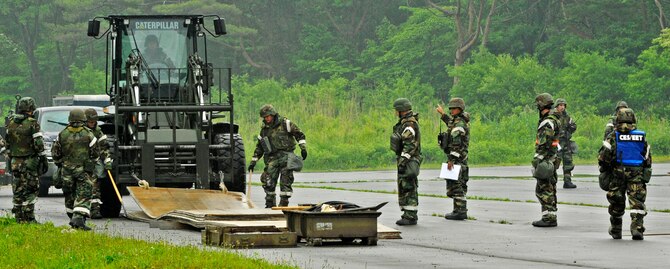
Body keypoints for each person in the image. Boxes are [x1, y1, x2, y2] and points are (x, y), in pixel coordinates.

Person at [598, 108, 651, 240]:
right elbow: (647, 157)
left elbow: (603, 158)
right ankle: (637, 229)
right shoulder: (641, 136)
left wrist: (606, 170)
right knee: (637, 202)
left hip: (618, 174)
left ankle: (616, 229)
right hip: (636, 174)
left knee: (616, 201)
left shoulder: (612, 136)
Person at [247, 105, 307, 208]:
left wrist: (303, 148)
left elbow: (299, 134)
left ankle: (283, 204)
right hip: (272, 158)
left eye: (268, 116)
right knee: (268, 181)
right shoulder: (264, 130)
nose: (267, 119)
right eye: (265, 117)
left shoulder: (285, 124)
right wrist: (253, 161)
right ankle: (270, 204)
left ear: (273, 114)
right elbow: (260, 147)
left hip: (286, 157)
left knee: (286, 181)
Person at [51, 109, 100, 230]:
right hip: (82, 170)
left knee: (69, 194)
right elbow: (95, 153)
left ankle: (72, 217)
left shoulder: (62, 134)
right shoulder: (88, 134)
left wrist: (61, 163)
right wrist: (90, 163)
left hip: (66, 171)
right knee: (83, 194)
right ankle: (78, 219)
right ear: (83, 119)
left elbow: (55, 153)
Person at [5, 97, 46, 223]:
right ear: (31, 108)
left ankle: (18, 216)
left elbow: (7, 143)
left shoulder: (10, 123)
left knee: (18, 188)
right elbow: (38, 144)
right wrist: (43, 157)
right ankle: (29, 217)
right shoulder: (32, 123)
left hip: (15, 162)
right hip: (29, 161)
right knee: (31, 188)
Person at [436, 98, 470, 220]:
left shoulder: (459, 125)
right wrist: (443, 114)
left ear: (460, 109)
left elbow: (456, 144)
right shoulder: (458, 121)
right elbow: (450, 122)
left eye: (454, 108)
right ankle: (458, 209)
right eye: (450, 109)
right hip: (459, 158)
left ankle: (460, 211)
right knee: (456, 183)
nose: (451, 111)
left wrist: (451, 159)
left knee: (457, 184)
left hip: (457, 159)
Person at [531, 93, 561, 227]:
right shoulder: (555, 119)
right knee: (551, 187)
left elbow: (544, 143)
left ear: (541, 105)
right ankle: (551, 215)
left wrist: (538, 160)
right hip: (552, 158)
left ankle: (548, 218)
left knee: (544, 189)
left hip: (546, 159)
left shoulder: (547, 122)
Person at [391, 98, 422, 226]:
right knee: (405, 185)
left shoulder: (409, 124)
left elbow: (409, 145)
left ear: (401, 110)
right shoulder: (406, 123)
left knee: (408, 186)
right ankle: (408, 213)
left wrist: (403, 161)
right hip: (407, 159)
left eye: (396, 110)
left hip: (408, 160)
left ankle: (410, 216)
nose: (395, 112)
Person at [84, 108, 112, 219]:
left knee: (95, 187)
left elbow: (104, 148)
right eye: (90, 121)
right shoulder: (80, 132)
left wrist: (107, 161)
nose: (92, 123)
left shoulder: (98, 132)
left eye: (94, 121)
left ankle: (95, 210)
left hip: (93, 163)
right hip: (80, 164)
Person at [554, 98, 577, 189]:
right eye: (560, 105)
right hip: (556, 143)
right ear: (556, 106)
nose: (562, 107)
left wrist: (571, 128)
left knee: (568, 161)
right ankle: (551, 181)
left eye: (563, 105)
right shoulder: (553, 117)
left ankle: (567, 181)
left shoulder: (567, 117)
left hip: (566, 142)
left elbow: (574, 126)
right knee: (555, 161)